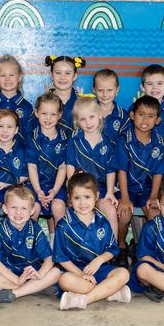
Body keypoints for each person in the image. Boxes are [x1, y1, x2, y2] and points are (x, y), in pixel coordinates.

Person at [54, 171, 130, 310]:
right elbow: (61, 258)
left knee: (124, 274)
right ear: (70, 199)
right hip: (76, 272)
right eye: (77, 198)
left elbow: (112, 249)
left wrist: (98, 260)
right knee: (64, 280)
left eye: (87, 197)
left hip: (99, 269)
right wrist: (81, 274)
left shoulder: (103, 221)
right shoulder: (64, 225)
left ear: (96, 196)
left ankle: (84, 299)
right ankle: (109, 292)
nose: (83, 203)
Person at [0, 185, 61, 305]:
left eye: (24, 208)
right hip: (8, 274)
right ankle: (33, 289)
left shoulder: (35, 228)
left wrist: (39, 274)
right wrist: (18, 280)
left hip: (31, 273)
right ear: (5, 208)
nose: (18, 213)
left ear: (32, 211)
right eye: (13, 207)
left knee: (56, 273)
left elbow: (49, 259)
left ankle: (13, 293)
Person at [115, 95, 164, 265]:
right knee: (124, 214)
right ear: (132, 115)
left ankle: (145, 253)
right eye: (141, 114)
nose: (145, 119)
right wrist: (124, 198)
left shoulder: (159, 143)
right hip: (127, 189)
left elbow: (159, 173)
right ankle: (121, 247)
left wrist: (154, 196)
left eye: (150, 116)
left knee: (155, 215)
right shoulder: (124, 140)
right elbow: (121, 171)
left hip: (147, 189)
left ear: (158, 120)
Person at [66, 97, 119, 239]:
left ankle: (111, 249)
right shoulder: (74, 141)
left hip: (101, 189)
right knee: (75, 213)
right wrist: (72, 191)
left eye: (91, 117)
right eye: (83, 119)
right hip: (80, 188)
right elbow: (70, 166)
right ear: (77, 122)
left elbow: (111, 169)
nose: (88, 122)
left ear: (100, 115)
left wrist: (109, 192)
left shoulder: (108, 142)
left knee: (111, 211)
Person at [26, 93, 69, 239]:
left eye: (53, 114)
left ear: (60, 115)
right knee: (33, 208)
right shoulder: (32, 137)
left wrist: (55, 190)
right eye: (44, 113)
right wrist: (38, 190)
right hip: (34, 186)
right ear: (36, 113)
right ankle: (30, 246)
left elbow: (63, 167)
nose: (48, 118)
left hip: (56, 185)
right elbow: (31, 166)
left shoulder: (64, 138)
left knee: (58, 207)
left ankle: (59, 247)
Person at [0, 109, 31, 239]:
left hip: (18, 187)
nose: (5, 131)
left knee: (24, 207)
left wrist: (8, 182)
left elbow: (26, 174)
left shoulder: (23, 148)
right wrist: (5, 178)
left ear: (16, 130)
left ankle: (21, 242)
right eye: (1, 126)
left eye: (9, 127)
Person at [0, 55, 33, 141]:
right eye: (3, 75)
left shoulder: (27, 106)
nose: (7, 79)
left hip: (19, 153)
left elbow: (29, 136)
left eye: (11, 75)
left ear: (19, 77)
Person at [41, 55, 87, 135]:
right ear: (51, 75)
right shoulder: (43, 102)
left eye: (68, 73)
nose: (63, 77)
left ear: (75, 76)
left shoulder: (82, 102)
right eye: (58, 73)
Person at [138, 64, 164, 144]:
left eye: (159, 83)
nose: (155, 87)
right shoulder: (136, 107)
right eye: (150, 84)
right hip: (142, 153)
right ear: (143, 87)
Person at [92, 69, 130, 143]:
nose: (105, 94)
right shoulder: (88, 113)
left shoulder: (124, 117)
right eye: (100, 90)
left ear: (117, 90)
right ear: (94, 90)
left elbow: (126, 143)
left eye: (109, 90)